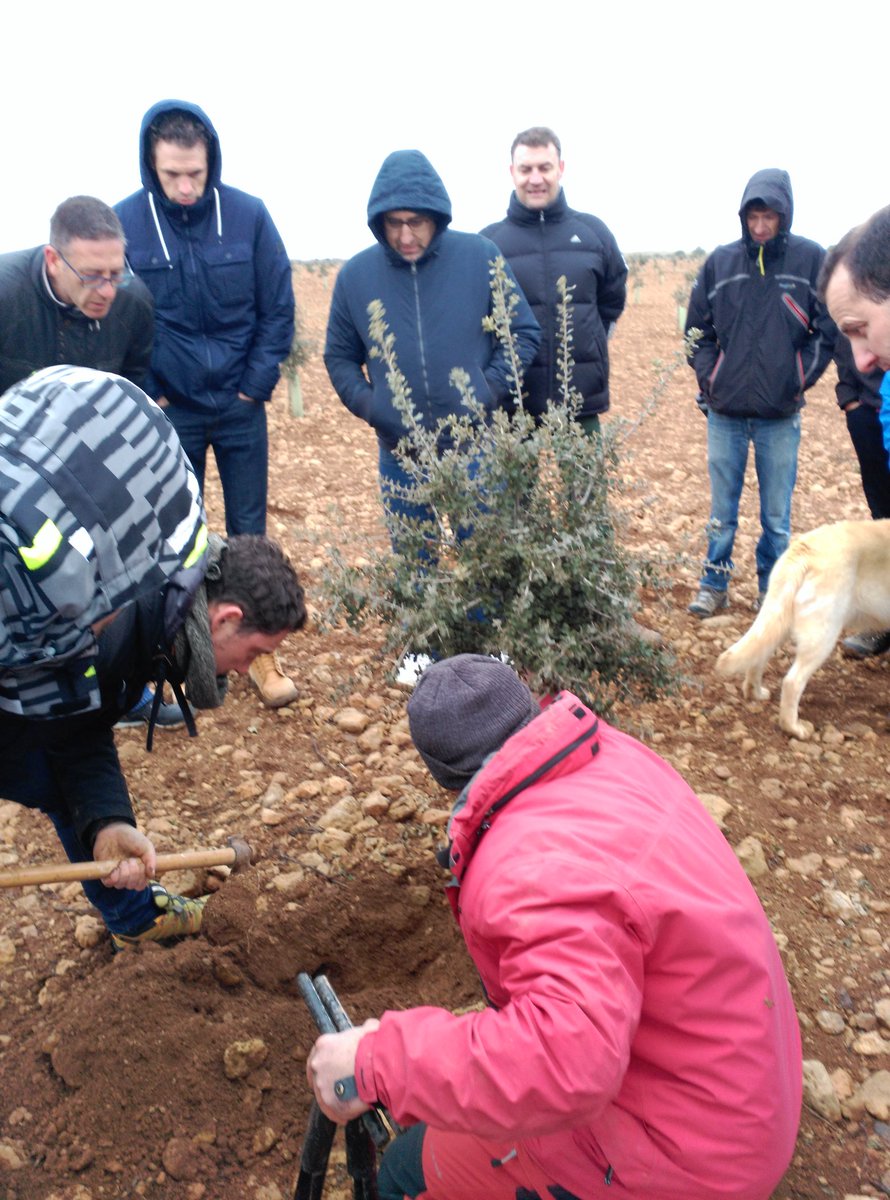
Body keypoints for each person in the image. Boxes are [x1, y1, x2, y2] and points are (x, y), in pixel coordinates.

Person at [306, 654, 801, 1200]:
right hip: (745, 1086)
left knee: (403, 1172)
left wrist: (376, 1062)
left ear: (442, 774)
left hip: (690, 1159)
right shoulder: (611, 756)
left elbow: (568, 1063)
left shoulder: (528, 862)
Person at [0, 366, 307, 950]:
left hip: (28, 721)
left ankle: (135, 916)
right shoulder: (106, 618)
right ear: (226, 618)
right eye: (256, 653)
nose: (248, 672)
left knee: (60, 785)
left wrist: (108, 822)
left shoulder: (150, 615)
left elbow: (75, 723)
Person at [115, 100, 298, 708]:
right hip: (172, 413)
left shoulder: (248, 216)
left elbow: (278, 305)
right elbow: (121, 318)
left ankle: (261, 657)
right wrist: (154, 392)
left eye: (195, 173)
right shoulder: (127, 224)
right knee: (175, 537)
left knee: (250, 534)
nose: (186, 187)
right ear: (152, 165)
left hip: (241, 406)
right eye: (172, 175)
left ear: (210, 161)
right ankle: (179, 657)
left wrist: (255, 385)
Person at [324, 148, 540, 532]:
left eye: (416, 222)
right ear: (379, 221)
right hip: (401, 457)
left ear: (435, 216)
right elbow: (339, 357)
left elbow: (522, 332)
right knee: (414, 562)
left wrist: (486, 389)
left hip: (476, 450)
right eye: (394, 223)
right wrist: (374, 406)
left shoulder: (479, 256)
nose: (405, 235)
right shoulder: (355, 276)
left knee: (485, 557)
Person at [685, 168, 835, 617]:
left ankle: (772, 591)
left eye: (769, 216)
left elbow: (826, 330)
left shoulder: (811, 260)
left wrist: (796, 376)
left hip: (780, 414)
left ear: (784, 216)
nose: (760, 226)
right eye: (753, 217)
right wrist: (712, 379)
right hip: (725, 412)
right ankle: (714, 585)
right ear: (743, 216)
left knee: (776, 517)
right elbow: (697, 332)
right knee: (721, 512)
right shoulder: (721, 262)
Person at [481, 126, 627, 433]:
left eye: (544, 168)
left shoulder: (594, 233)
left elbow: (611, 301)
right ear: (512, 172)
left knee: (587, 468)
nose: (535, 179)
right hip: (512, 411)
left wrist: (592, 339)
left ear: (560, 168)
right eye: (526, 169)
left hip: (580, 405)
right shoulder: (488, 244)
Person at [0, 195, 154, 396]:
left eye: (116, 273)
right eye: (91, 276)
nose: (108, 292)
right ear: (53, 260)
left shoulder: (135, 303)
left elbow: (131, 389)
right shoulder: (6, 296)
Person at [833, 334, 890, 658]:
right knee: (882, 518)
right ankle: (884, 621)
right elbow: (840, 331)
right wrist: (850, 398)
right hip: (867, 410)